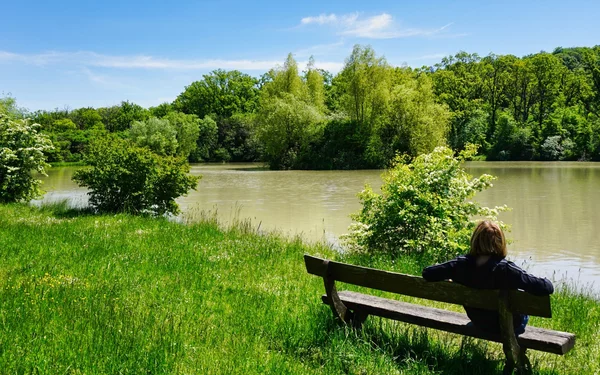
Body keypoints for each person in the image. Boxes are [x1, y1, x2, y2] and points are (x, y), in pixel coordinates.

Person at [422, 220, 554, 335]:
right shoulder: (506, 270)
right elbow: (545, 287)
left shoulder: (459, 265)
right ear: (500, 242)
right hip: (510, 326)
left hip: (479, 322)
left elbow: (427, 273)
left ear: (475, 240)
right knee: (523, 315)